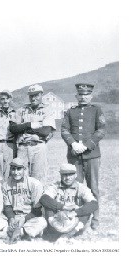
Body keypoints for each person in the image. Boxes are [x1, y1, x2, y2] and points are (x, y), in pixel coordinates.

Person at [61, 83, 105, 230]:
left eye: (86, 94)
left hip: (91, 155)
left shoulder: (96, 110)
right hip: (74, 156)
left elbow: (101, 130)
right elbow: (64, 130)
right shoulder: (70, 111)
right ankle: (77, 218)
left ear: (91, 96)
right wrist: (73, 144)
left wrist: (86, 145)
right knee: (75, 188)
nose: (83, 97)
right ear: (76, 96)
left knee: (93, 188)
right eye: (80, 94)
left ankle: (96, 219)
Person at [9, 84, 56, 182]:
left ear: (41, 95)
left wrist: (23, 128)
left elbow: (46, 131)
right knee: (21, 178)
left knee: (38, 179)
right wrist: (29, 125)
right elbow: (13, 129)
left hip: (38, 147)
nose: (33, 98)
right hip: (23, 147)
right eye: (31, 95)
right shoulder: (22, 110)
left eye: (36, 95)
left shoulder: (47, 110)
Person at [40, 163, 98, 240]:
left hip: (74, 219)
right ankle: (54, 233)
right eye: (65, 175)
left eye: (70, 174)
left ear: (75, 175)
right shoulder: (55, 186)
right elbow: (44, 198)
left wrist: (76, 212)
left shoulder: (81, 187)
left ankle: (70, 233)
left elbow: (94, 204)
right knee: (48, 206)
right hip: (58, 219)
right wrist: (64, 207)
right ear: (60, 175)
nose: (68, 178)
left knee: (86, 210)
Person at [2, 158, 47, 243]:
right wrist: (11, 218)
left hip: (29, 217)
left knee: (42, 222)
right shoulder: (6, 184)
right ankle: (17, 232)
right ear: (10, 169)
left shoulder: (34, 184)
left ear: (25, 169)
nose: (16, 172)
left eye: (19, 169)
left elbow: (37, 210)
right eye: (13, 169)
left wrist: (24, 219)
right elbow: (7, 206)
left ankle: (19, 232)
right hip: (13, 217)